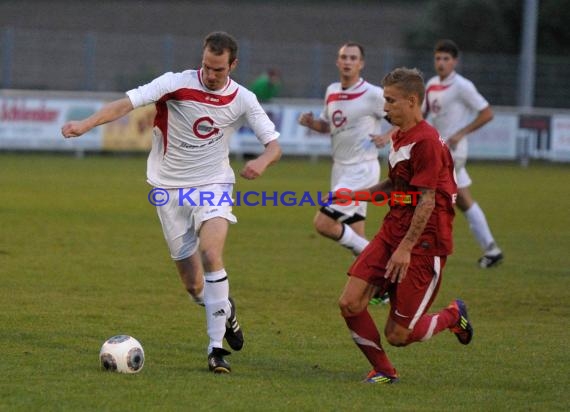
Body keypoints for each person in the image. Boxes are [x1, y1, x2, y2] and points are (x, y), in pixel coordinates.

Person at [61, 31, 282, 374]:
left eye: (218, 70)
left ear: (233, 65)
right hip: (168, 190)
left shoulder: (244, 98)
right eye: (207, 66)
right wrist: (86, 125)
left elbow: (273, 144)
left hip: (214, 184)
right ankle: (226, 311)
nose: (210, 74)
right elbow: (125, 104)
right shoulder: (174, 83)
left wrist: (262, 162)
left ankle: (215, 350)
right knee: (195, 287)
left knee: (212, 254)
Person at [335, 67, 473, 384]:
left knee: (399, 334)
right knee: (350, 302)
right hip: (392, 230)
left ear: (412, 101)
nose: (385, 108)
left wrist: (405, 249)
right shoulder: (399, 137)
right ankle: (384, 370)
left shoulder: (426, 143)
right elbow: (395, 187)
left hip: (424, 244)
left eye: (390, 101)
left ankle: (453, 315)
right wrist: (352, 195)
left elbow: (426, 200)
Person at [298, 42, 393, 263]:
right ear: (337, 61)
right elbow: (329, 125)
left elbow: (404, 120)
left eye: (353, 58)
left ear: (361, 64)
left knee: (323, 223)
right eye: (344, 57)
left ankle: (381, 260)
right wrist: (312, 123)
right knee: (356, 236)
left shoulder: (373, 94)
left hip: (362, 169)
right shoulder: (332, 91)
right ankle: (380, 289)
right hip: (339, 169)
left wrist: (386, 137)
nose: (348, 61)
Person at [423, 39, 503, 268]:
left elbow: (487, 113)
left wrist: (461, 132)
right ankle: (491, 249)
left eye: (446, 59)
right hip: (438, 149)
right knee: (465, 201)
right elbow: (424, 113)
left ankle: (428, 246)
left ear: (455, 61)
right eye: (438, 58)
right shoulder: (431, 84)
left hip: (453, 152)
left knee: (424, 193)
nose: (441, 63)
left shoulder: (462, 86)